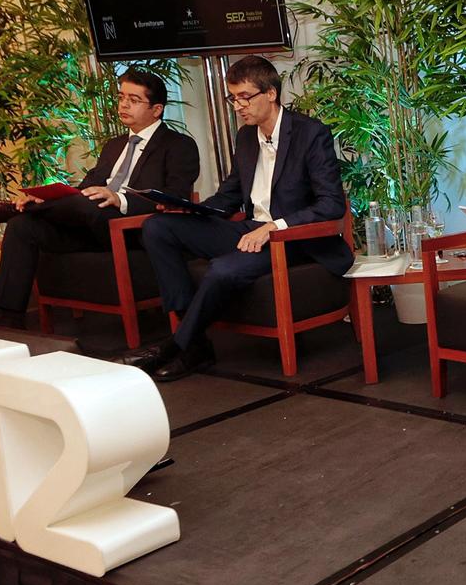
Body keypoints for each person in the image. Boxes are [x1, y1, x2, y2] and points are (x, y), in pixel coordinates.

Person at [132, 56, 350, 381]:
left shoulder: (310, 133)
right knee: (158, 227)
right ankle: (195, 344)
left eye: (244, 97)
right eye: (232, 98)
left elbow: (331, 203)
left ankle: (179, 345)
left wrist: (274, 227)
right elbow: (230, 195)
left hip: (294, 238)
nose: (237, 106)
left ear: (271, 94)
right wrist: (189, 209)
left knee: (222, 269)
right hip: (251, 229)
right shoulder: (246, 137)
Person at [0, 68, 199, 329]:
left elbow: (176, 197)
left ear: (157, 109)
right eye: (121, 97)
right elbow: (86, 188)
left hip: (132, 226)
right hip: (91, 223)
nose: (123, 105)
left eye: (134, 99)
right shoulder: (114, 145)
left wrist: (120, 199)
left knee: (87, 204)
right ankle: (10, 320)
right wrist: (48, 198)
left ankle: (13, 210)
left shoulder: (179, 145)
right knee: (24, 227)